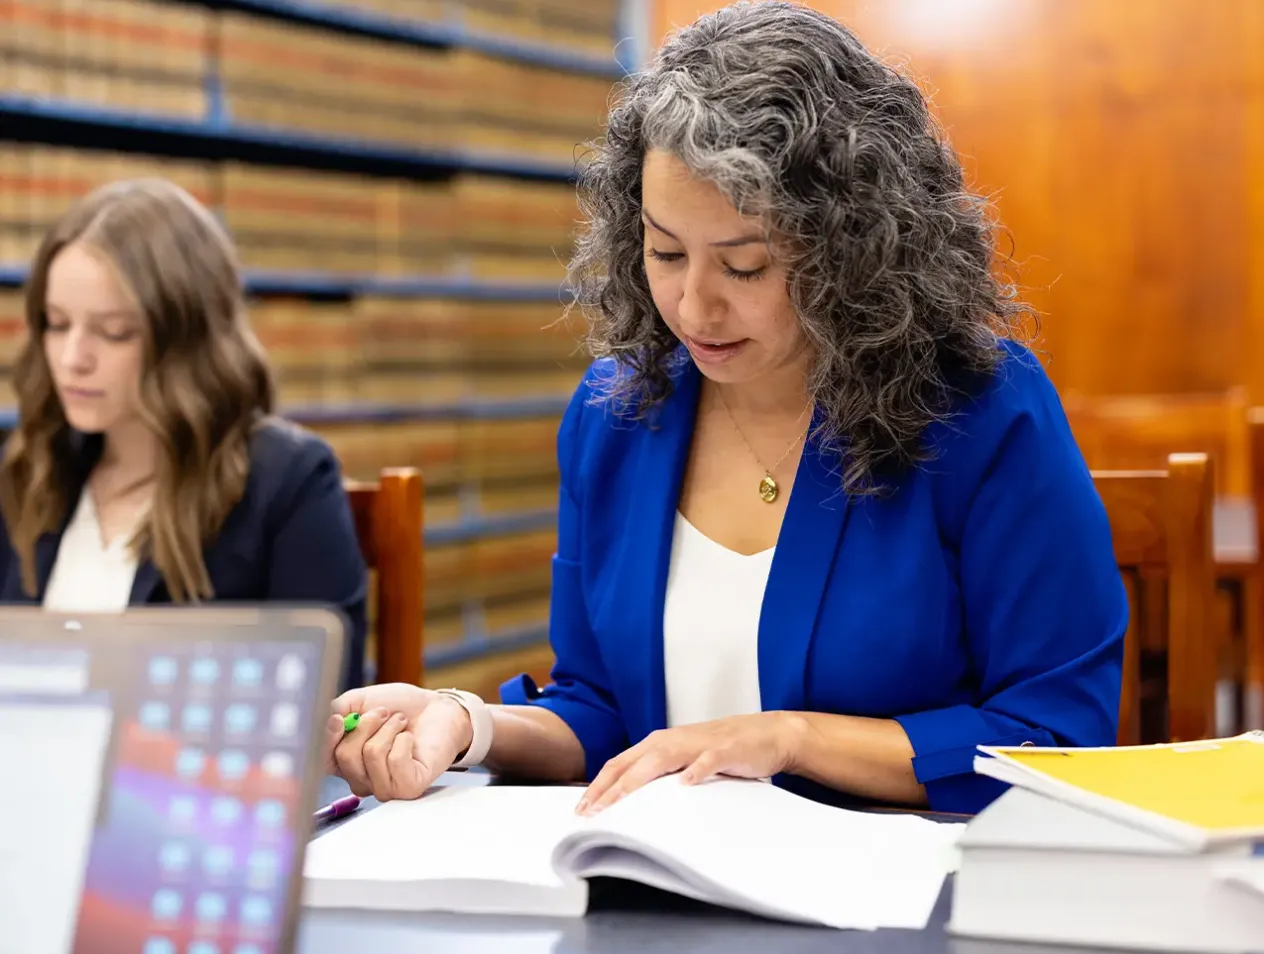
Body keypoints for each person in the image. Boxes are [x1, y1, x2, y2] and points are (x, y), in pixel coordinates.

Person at [325, 0, 1127, 815]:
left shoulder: (979, 413)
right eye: (665, 251)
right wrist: (468, 725)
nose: (694, 308)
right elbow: (603, 712)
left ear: (856, 248)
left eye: (744, 267)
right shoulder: (615, 416)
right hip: (670, 905)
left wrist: (789, 737)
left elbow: (1058, 735)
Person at [0, 178, 369, 691]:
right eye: (57, 324)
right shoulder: (27, 469)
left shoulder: (287, 481)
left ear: (186, 340)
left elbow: (330, 711)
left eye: (114, 332)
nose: (71, 359)